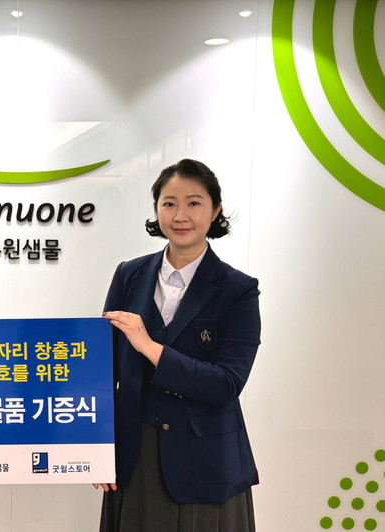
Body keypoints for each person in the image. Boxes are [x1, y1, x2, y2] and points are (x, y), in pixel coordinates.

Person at [96, 159, 260, 531]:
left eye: (194, 203)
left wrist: (149, 346)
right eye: (169, 203)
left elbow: (225, 384)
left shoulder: (238, 289)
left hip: (207, 462)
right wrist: (97, 451)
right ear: (157, 210)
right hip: (135, 455)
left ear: (215, 211)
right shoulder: (129, 274)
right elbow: (104, 372)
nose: (180, 215)